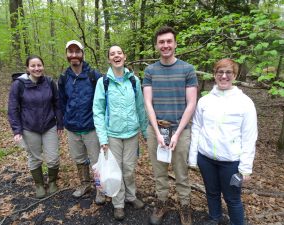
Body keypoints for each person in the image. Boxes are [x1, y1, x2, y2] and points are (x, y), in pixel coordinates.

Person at [188, 58, 258, 225]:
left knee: (232, 199)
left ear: (235, 75)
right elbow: (197, 127)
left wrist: (246, 167)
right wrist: (193, 157)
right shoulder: (205, 101)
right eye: (220, 72)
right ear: (215, 74)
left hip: (231, 162)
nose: (224, 76)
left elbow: (249, 136)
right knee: (211, 192)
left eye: (228, 72)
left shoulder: (245, 103)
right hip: (206, 159)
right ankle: (215, 218)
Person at [143, 26, 198, 225]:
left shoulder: (187, 69)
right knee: (159, 172)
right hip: (157, 130)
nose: (165, 45)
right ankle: (162, 203)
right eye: (161, 42)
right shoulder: (150, 70)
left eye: (169, 41)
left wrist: (177, 133)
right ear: (157, 45)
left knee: (181, 172)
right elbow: (148, 102)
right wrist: (157, 132)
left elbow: (191, 103)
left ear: (175, 44)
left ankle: (185, 206)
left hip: (181, 131)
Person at [93, 45, 148, 221]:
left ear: (124, 56)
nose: (116, 56)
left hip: (132, 134)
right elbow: (98, 111)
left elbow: (140, 108)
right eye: (112, 54)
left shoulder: (134, 81)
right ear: (109, 59)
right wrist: (103, 138)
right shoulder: (104, 82)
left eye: (119, 53)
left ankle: (131, 196)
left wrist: (145, 132)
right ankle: (118, 203)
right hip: (112, 135)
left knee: (129, 169)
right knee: (115, 171)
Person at [8, 55, 63, 199]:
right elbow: (13, 108)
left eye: (39, 65)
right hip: (29, 127)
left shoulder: (50, 82)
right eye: (33, 66)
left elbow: (57, 104)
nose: (36, 68)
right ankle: (39, 185)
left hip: (49, 125)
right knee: (34, 157)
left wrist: (60, 123)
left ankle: (52, 182)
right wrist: (17, 130)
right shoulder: (19, 85)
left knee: (53, 157)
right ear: (27, 68)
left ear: (43, 66)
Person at [57, 40, 105, 204]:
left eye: (77, 51)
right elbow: (62, 101)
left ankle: (100, 189)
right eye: (70, 52)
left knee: (97, 161)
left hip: (91, 127)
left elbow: (103, 100)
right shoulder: (64, 78)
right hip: (72, 128)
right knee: (79, 159)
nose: (74, 55)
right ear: (67, 55)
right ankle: (85, 184)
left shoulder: (94, 75)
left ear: (83, 54)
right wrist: (64, 121)